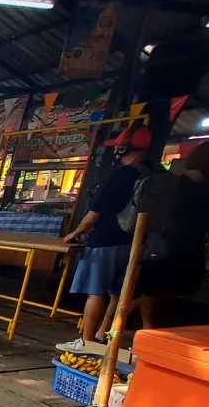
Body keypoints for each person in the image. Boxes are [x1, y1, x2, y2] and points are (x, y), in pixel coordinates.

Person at [58, 126, 155, 352]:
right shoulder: (154, 173)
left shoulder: (120, 175)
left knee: (96, 292)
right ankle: (103, 335)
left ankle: (87, 342)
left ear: (123, 148)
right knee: (116, 293)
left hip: (106, 240)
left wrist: (76, 232)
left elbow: (94, 215)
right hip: (135, 241)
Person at [137, 139, 209, 328]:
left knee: (159, 288)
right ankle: (145, 325)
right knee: (158, 288)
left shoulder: (185, 183)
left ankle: (142, 323)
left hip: (178, 241)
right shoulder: (205, 185)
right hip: (176, 241)